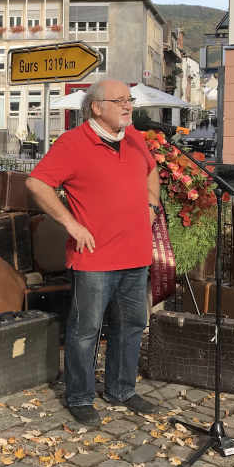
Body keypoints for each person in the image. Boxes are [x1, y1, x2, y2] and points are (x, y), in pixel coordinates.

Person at [25, 79, 161, 426]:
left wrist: (151, 204)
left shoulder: (134, 138)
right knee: (86, 330)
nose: (127, 106)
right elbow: (37, 183)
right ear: (96, 107)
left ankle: (121, 390)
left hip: (136, 253)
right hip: (95, 258)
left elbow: (152, 171)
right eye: (119, 101)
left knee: (131, 325)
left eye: (129, 100)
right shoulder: (72, 143)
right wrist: (71, 225)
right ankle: (81, 396)